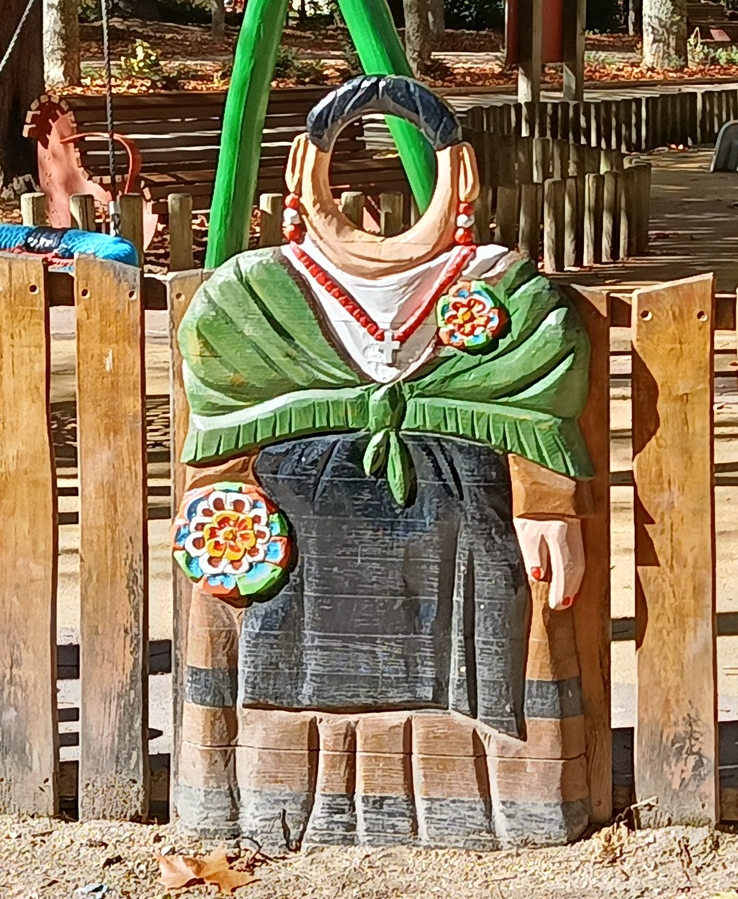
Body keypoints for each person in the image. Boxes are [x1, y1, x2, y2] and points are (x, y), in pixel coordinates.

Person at [172, 75, 597, 849]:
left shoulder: (508, 293)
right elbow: (221, 425)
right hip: (300, 549)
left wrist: (546, 501)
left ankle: (487, 805)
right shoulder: (247, 299)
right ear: (301, 170)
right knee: (283, 663)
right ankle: (280, 803)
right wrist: (223, 514)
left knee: (491, 657)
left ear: (461, 177)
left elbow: (536, 386)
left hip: (464, 542)